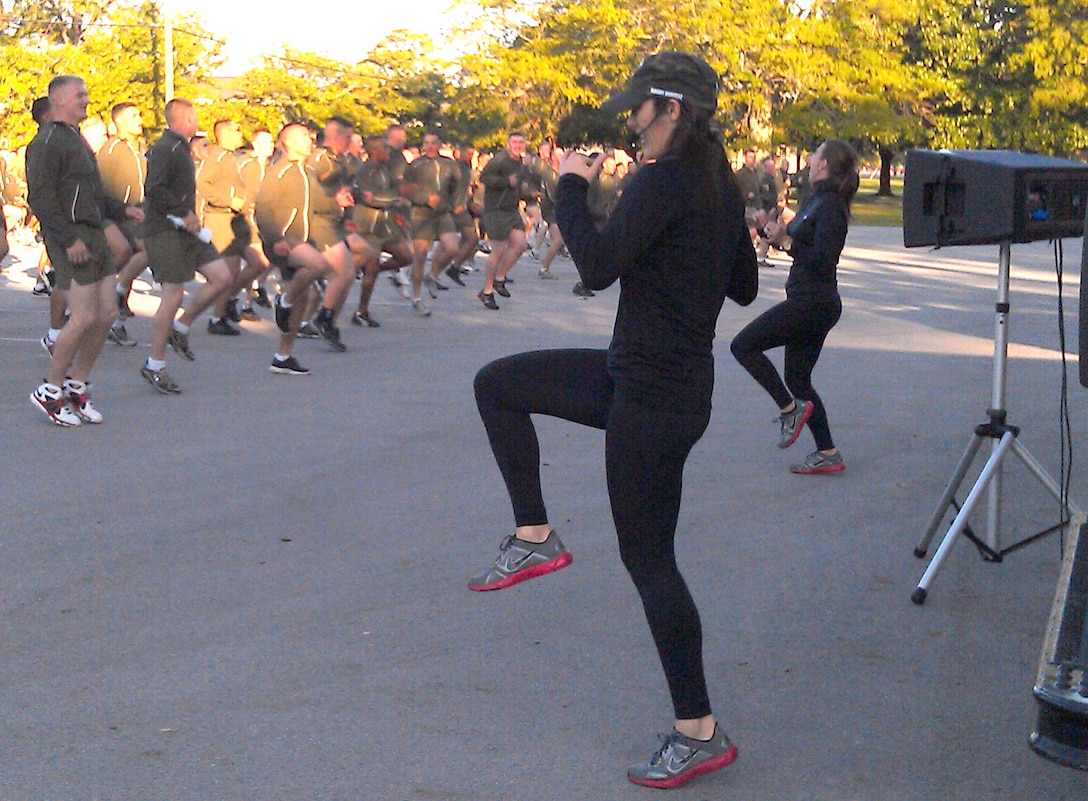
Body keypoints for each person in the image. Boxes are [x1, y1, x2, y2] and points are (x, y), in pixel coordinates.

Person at [468, 51, 755, 788]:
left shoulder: (669, 179)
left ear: (673, 110)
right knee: (499, 385)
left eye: (640, 108)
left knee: (650, 559)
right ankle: (534, 535)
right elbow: (747, 286)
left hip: (654, 401)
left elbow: (595, 266)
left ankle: (700, 730)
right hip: (651, 381)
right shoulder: (714, 179)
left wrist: (570, 186)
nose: (630, 121)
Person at [729, 138, 859, 474]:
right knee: (799, 380)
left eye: (816, 155)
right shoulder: (817, 200)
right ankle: (828, 452)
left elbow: (823, 259)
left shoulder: (830, 206)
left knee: (743, 346)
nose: (811, 159)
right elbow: (798, 243)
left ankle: (790, 410)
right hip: (809, 300)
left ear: (825, 165)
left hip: (814, 302)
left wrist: (785, 240)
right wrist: (771, 232)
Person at [26, 75, 144, 426]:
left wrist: (122, 210)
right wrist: (68, 239)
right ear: (59, 99)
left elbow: (91, 194)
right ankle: (50, 390)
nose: (87, 100)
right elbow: (41, 198)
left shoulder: (77, 140)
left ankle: (77, 387)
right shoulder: (47, 141)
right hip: (72, 236)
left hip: (94, 233)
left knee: (106, 314)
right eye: (80, 95)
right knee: (83, 317)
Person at [139, 97, 234, 394]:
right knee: (173, 293)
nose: (197, 120)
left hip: (188, 230)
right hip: (165, 229)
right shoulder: (166, 147)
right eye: (194, 116)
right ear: (187, 117)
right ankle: (155, 364)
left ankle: (180, 328)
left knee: (222, 277)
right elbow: (154, 190)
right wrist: (183, 212)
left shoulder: (182, 147)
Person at [476, 131, 533, 309]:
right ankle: (487, 291)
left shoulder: (520, 163)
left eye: (521, 142)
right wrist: (506, 181)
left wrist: (527, 191)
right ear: (508, 144)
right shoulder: (500, 160)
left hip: (511, 210)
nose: (518, 145)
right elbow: (484, 177)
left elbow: (518, 184)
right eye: (515, 142)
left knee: (521, 245)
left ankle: (500, 278)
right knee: (498, 250)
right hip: (496, 210)